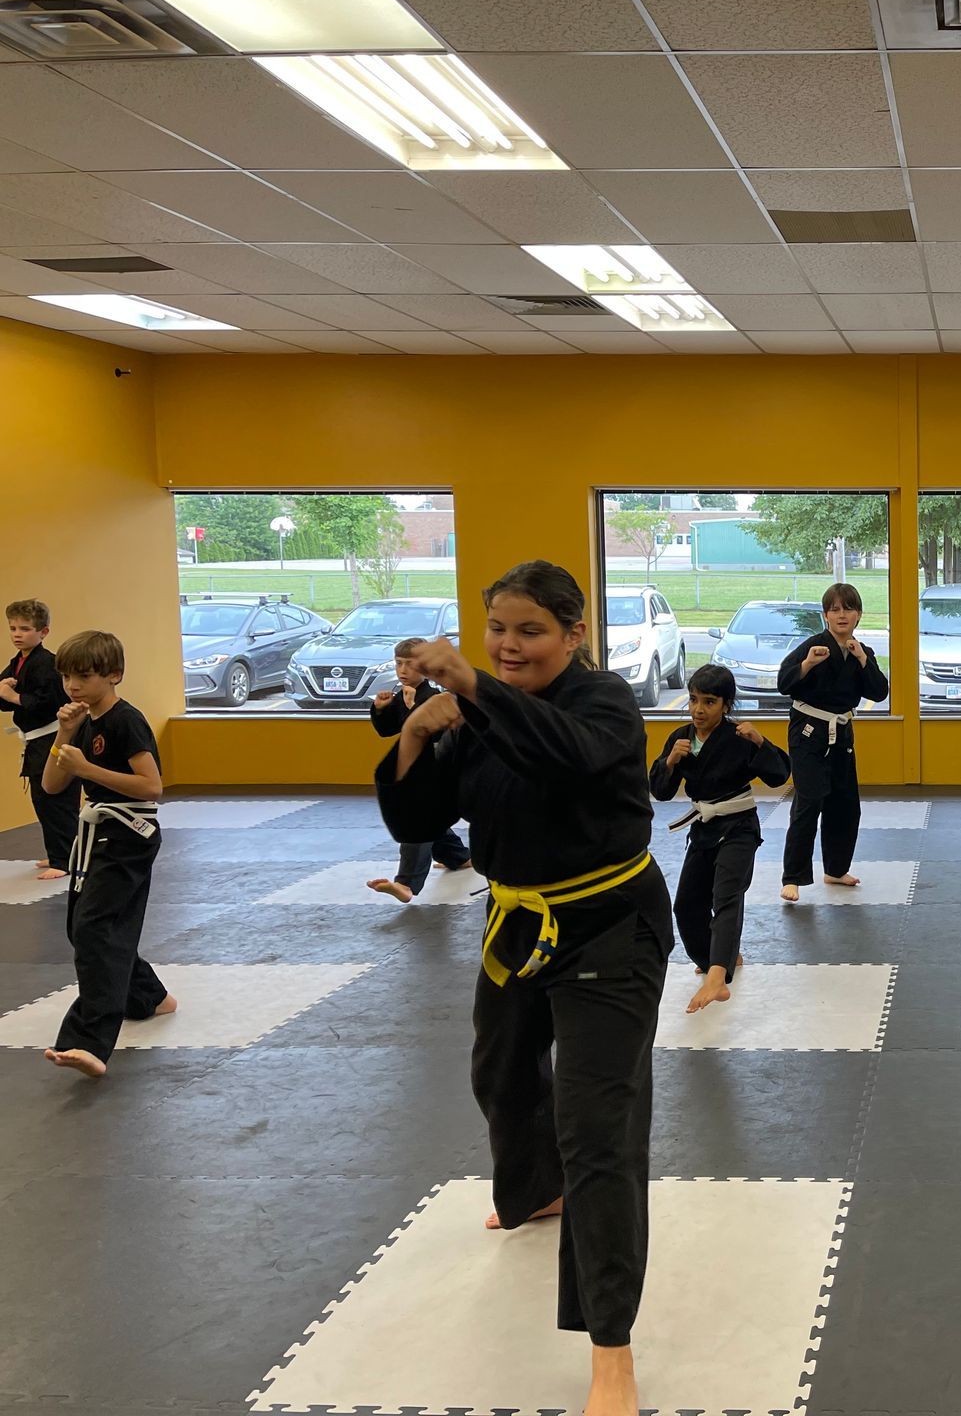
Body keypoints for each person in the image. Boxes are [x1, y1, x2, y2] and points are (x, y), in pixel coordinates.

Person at [374, 561, 672, 1416]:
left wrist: (471, 688)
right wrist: (418, 736)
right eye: (496, 629)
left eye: (530, 630)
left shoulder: (605, 703)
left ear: (573, 635)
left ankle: (610, 1347)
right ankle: (535, 1189)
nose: (509, 646)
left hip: (612, 927)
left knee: (598, 1129)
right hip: (518, 925)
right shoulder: (472, 715)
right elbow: (417, 823)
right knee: (500, 1077)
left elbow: (566, 757)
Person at [40, 630, 174, 1078]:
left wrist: (87, 768)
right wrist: (63, 734)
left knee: (97, 930)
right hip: (98, 834)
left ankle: (89, 1042)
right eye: (66, 677)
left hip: (128, 835)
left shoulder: (125, 720)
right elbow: (52, 785)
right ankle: (150, 997)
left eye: (83, 676)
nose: (72, 686)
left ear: (113, 675)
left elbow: (151, 787)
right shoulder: (84, 721)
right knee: (84, 929)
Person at [649, 663, 792, 1014]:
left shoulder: (740, 737)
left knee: (726, 897)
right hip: (703, 829)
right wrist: (669, 762)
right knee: (685, 906)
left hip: (739, 827)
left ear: (726, 705)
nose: (698, 709)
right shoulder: (681, 739)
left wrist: (761, 742)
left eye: (709, 702)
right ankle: (718, 958)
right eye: (694, 700)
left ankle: (717, 977)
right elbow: (660, 791)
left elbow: (780, 776)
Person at [776, 583, 888, 904]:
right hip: (808, 731)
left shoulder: (860, 652)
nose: (842, 615)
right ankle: (793, 877)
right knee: (809, 802)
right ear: (825, 615)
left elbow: (879, 692)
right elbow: (785, 683)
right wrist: (808, 663)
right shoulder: (812, 647)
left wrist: (864, 660)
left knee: (845, 802)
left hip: (842, 733)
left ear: (858, 615)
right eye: (835, 609)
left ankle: (836, 869)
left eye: (848, 609)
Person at [365, 636, 470, 903]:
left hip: (439, 770)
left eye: (410, 665)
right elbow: (387, 731)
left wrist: (415, 709)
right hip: (419, 772)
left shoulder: (436, 697)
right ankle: (458, 857)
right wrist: (380, 709)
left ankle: (406, 883)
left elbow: (437, 736)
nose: (403, 670)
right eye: (399, 663)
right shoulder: (402, 695)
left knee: (418, 821)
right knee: (429, 820)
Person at [2, 598, 81, 881]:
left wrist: (13, 696)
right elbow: (5, 700)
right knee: (42, 799)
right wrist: (7, 694)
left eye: (24, 628)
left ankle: (65, 859)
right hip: (35, 741)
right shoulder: (19, 662)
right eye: (12, 628)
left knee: (56, 798)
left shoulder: (47, 663)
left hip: (53, 737)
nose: (17, 634)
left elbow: (46, 703)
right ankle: (59, 852)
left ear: (43, 632)